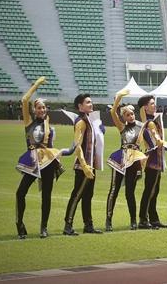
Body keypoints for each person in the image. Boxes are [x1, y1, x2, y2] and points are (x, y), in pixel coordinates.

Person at [15, 77, 68, 239]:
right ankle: (20, 225)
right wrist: (36, 85)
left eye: (44, 108)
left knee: (46, 196)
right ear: (34, 109)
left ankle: (44, 228)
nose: (42, 110)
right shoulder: (29, 122)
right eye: (39, 107)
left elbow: (50, 146)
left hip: (48, 163)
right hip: (32, 162)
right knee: (20, 193)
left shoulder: (50, 128)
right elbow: (24, 100)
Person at [105, 89, 147, 231]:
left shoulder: (140, 126)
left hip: (134, 161)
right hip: (121, 159)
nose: (130, 116)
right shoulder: (122, 127)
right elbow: (112, 113)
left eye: (131, 114)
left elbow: (147, 124)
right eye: (127, 115)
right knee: (114, 190)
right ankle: (108, 220)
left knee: (130, 191)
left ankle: (133, 221)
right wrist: (119, 97)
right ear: (123, 117)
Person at [63, 93, 103, 236]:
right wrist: (84, 165)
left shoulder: (89, 120)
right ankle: (68, 224)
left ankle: (88, 224)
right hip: (83, 166)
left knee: (88, 196)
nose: (91, 104)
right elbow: (77, 145)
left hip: (90, 165)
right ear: (80, 106)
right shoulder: (81, 122)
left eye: (91, 102)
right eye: (87, 102)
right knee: (77, 195)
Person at [138, 94, 167, 230]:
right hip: (152, 161)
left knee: (154, 190)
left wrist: (166, 145)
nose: (155, 105)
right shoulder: (150, 123)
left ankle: (153, 218)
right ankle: (143, 219)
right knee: (149, 190)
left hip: (156, 161)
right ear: (145, 108)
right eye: (152, 104)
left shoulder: (153, 121)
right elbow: (156, 141)